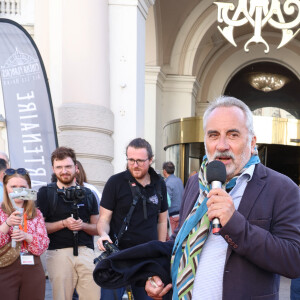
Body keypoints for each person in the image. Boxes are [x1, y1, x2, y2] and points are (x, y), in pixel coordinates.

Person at [145, 96, 300, 300]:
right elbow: (180, 241)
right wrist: (161, 276)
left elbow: (293, 260)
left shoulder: (281, 187)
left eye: (233, 135)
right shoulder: (195, 183)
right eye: (214, 135)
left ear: (252, 142)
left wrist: (235, 224)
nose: (222, 145)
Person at [97, 137, 168, 300]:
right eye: (131, 160)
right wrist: (103, 235)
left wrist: (162, 250)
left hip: (147, 260)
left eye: (140, 161)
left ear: (150, 160)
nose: (135, 165)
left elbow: (163, 220)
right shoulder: (115, 182)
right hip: (117, 257)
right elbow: (104, 219)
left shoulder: (159, 184)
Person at [36, 147, 100, 300]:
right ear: (53, 169)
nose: (64, 171)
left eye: (68, 166)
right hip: (58, 253)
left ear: (76, 168)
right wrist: (64, 223)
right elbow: (39, 228)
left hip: (86, 252)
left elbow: (97, 228)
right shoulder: (45, 193)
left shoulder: (88, 194)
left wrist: (82, 225)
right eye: (59, 167)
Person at [0, 168, 49, 300]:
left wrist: (27, 236)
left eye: (22, 187)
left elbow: (43, 245)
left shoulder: (36, 213)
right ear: (5, 188)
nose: (18, 190)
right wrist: (7, 224)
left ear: (29, 188)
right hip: (5, 266)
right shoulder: (0, 211)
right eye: (13, 186)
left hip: (32, 266)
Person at [162, 161, 184, 234]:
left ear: (164, 171)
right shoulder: (179, 180)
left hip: (173, 215)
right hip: (182, 213)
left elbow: (167, 202)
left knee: (173, 240)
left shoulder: (167, 184)